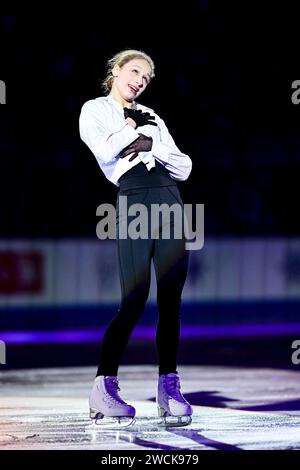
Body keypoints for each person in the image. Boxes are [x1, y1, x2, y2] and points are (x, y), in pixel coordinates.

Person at [79, 49, 193, 427]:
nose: (140, 80)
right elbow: (105, 151)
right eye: (135, 71)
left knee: (172, 298)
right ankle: (104, 387)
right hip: (134, 198)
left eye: (146, 77)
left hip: (170, 198)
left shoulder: (154, 116)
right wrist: (128, 130)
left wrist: (150, 144)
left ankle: (169, 386)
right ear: (116, 70)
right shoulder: (94, 110)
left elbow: (184, 165)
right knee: (134, 297)